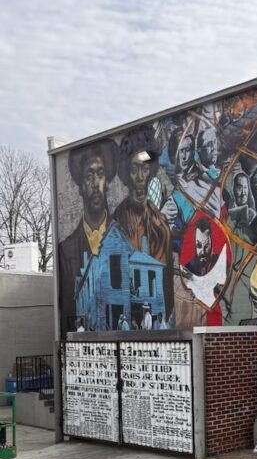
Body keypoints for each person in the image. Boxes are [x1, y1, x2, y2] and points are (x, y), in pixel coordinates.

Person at [112, 125, 174, 317]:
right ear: (125, 175)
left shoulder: (159, 222)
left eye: (144, 169)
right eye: (134, 169)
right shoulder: (119, 220)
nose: (140, 177)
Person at [58, 138, 118, 331]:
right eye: (88, 176)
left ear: (107, 183)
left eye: (100, 174)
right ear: (80, 187)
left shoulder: (123, 239)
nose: (94, 184)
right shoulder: (66, 250)